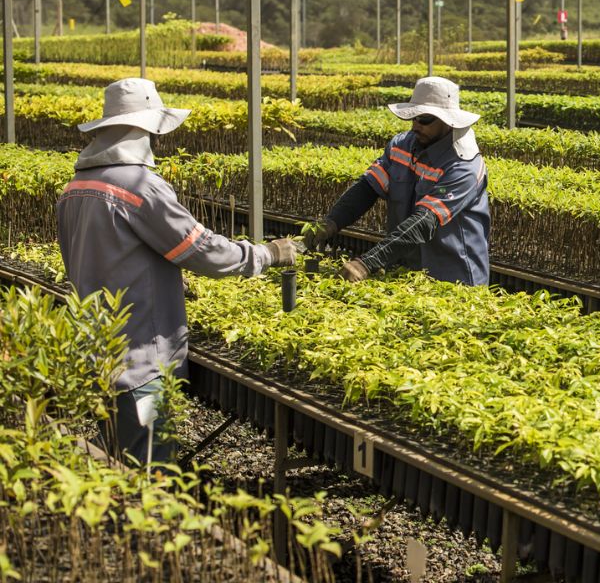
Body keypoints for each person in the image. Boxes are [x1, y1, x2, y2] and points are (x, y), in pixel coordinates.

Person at [56, 78, 297, 466]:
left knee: (114, 460)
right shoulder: (140, 187)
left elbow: (99, 257)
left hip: (97, 354)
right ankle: (147, 525)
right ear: (147, 129)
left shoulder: (76, 187)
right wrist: (265, 254)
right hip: (140, 366)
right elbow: (202, 250)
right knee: (150, 465)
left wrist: (162, 274)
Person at [305, 76, 490, 286]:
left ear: (448, 121)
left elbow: (424, 222)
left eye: (425, 119)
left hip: (454, 279)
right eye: (413, 118)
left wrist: (367, 263)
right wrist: (330, 222)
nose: (416, 126)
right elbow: (367, 187)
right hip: (408, 271)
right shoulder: (402, 145)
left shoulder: (464, 166)